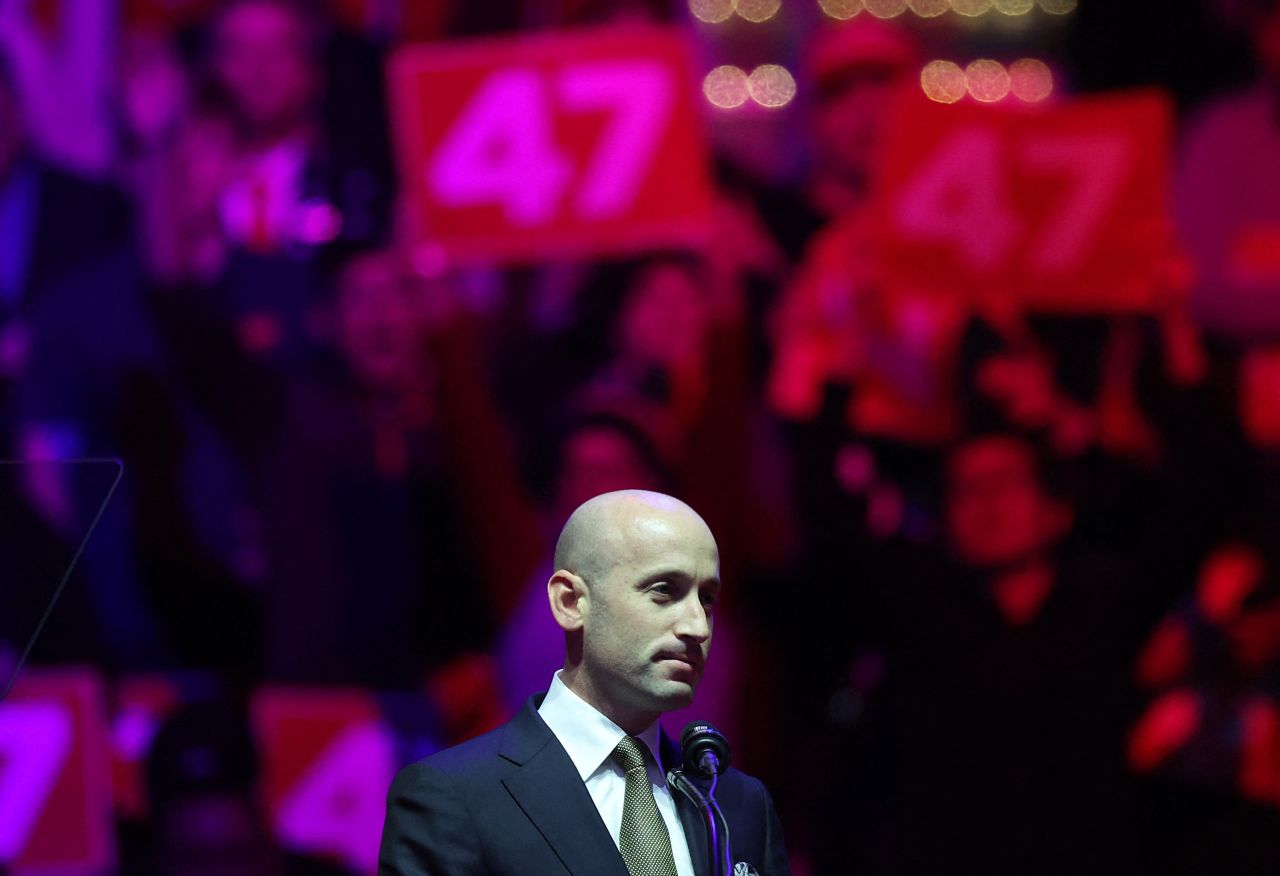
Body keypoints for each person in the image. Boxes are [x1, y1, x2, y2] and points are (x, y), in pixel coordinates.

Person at [379, 489, 790, 876]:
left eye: (707, 599)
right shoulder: (454, 796)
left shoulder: (738, 803)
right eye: (664, 591)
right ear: (570, 602)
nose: (697, 626)